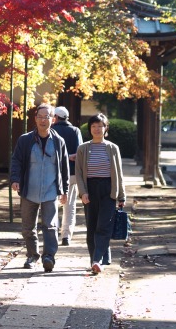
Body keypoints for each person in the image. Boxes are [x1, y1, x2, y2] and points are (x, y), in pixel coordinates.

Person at [10, 103, 69, 272]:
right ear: (35, 119)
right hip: (29, 189)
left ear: (54, 119)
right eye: (40, 117)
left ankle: (49, 256)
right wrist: (15, 179)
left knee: (50, 226)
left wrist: (64, 189)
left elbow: (64, 167)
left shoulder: (59, 142)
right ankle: (32, 256)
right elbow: (16, 161)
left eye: (47, 117)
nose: (44, 120)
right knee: (28, 227)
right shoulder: (25, 139)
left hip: (50, 190)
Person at [75, 113, 125, 275]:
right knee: (92, 227)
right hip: (90, 189)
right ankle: (95, 260)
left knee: (104, 226)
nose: (97, 129)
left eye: (100, 126)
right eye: (94, 126)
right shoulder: (83, 148)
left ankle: (97, 260)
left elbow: (119, 173)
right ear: (90, 129)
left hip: (108, 190)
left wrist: (121, 196)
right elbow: (79, 173)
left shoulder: (112, 148)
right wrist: (83, 193)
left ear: (105, 128)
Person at [51, 106, 83, 246]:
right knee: (70, 206)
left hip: (53, 173)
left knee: (52, 204)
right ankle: (66, 236)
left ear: (56, 117)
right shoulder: (75, 131)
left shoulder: (51, 131)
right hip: (72, 174)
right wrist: (69, 157)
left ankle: (53, 232)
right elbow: (80, 153)